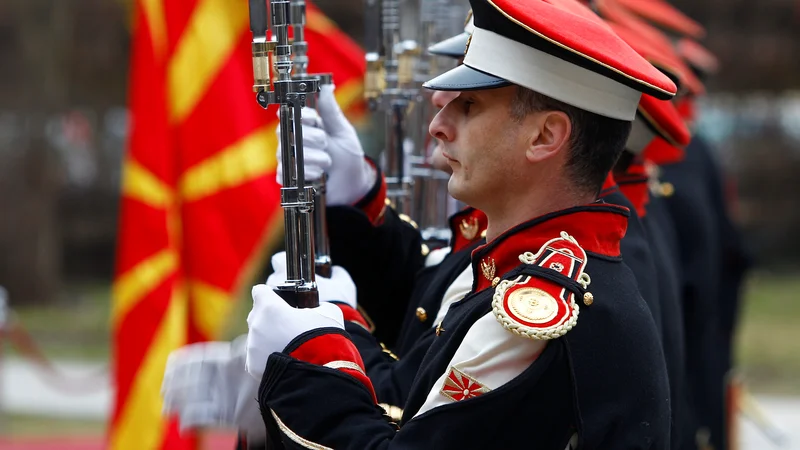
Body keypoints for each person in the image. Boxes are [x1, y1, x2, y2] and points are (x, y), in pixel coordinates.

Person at [243, 0, 678, 447]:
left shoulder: (538, 310)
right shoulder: (511, 257)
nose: (437, 124)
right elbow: (420, 340)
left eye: (468, 104)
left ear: (545, 136)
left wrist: (311, 354)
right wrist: (356, 205)